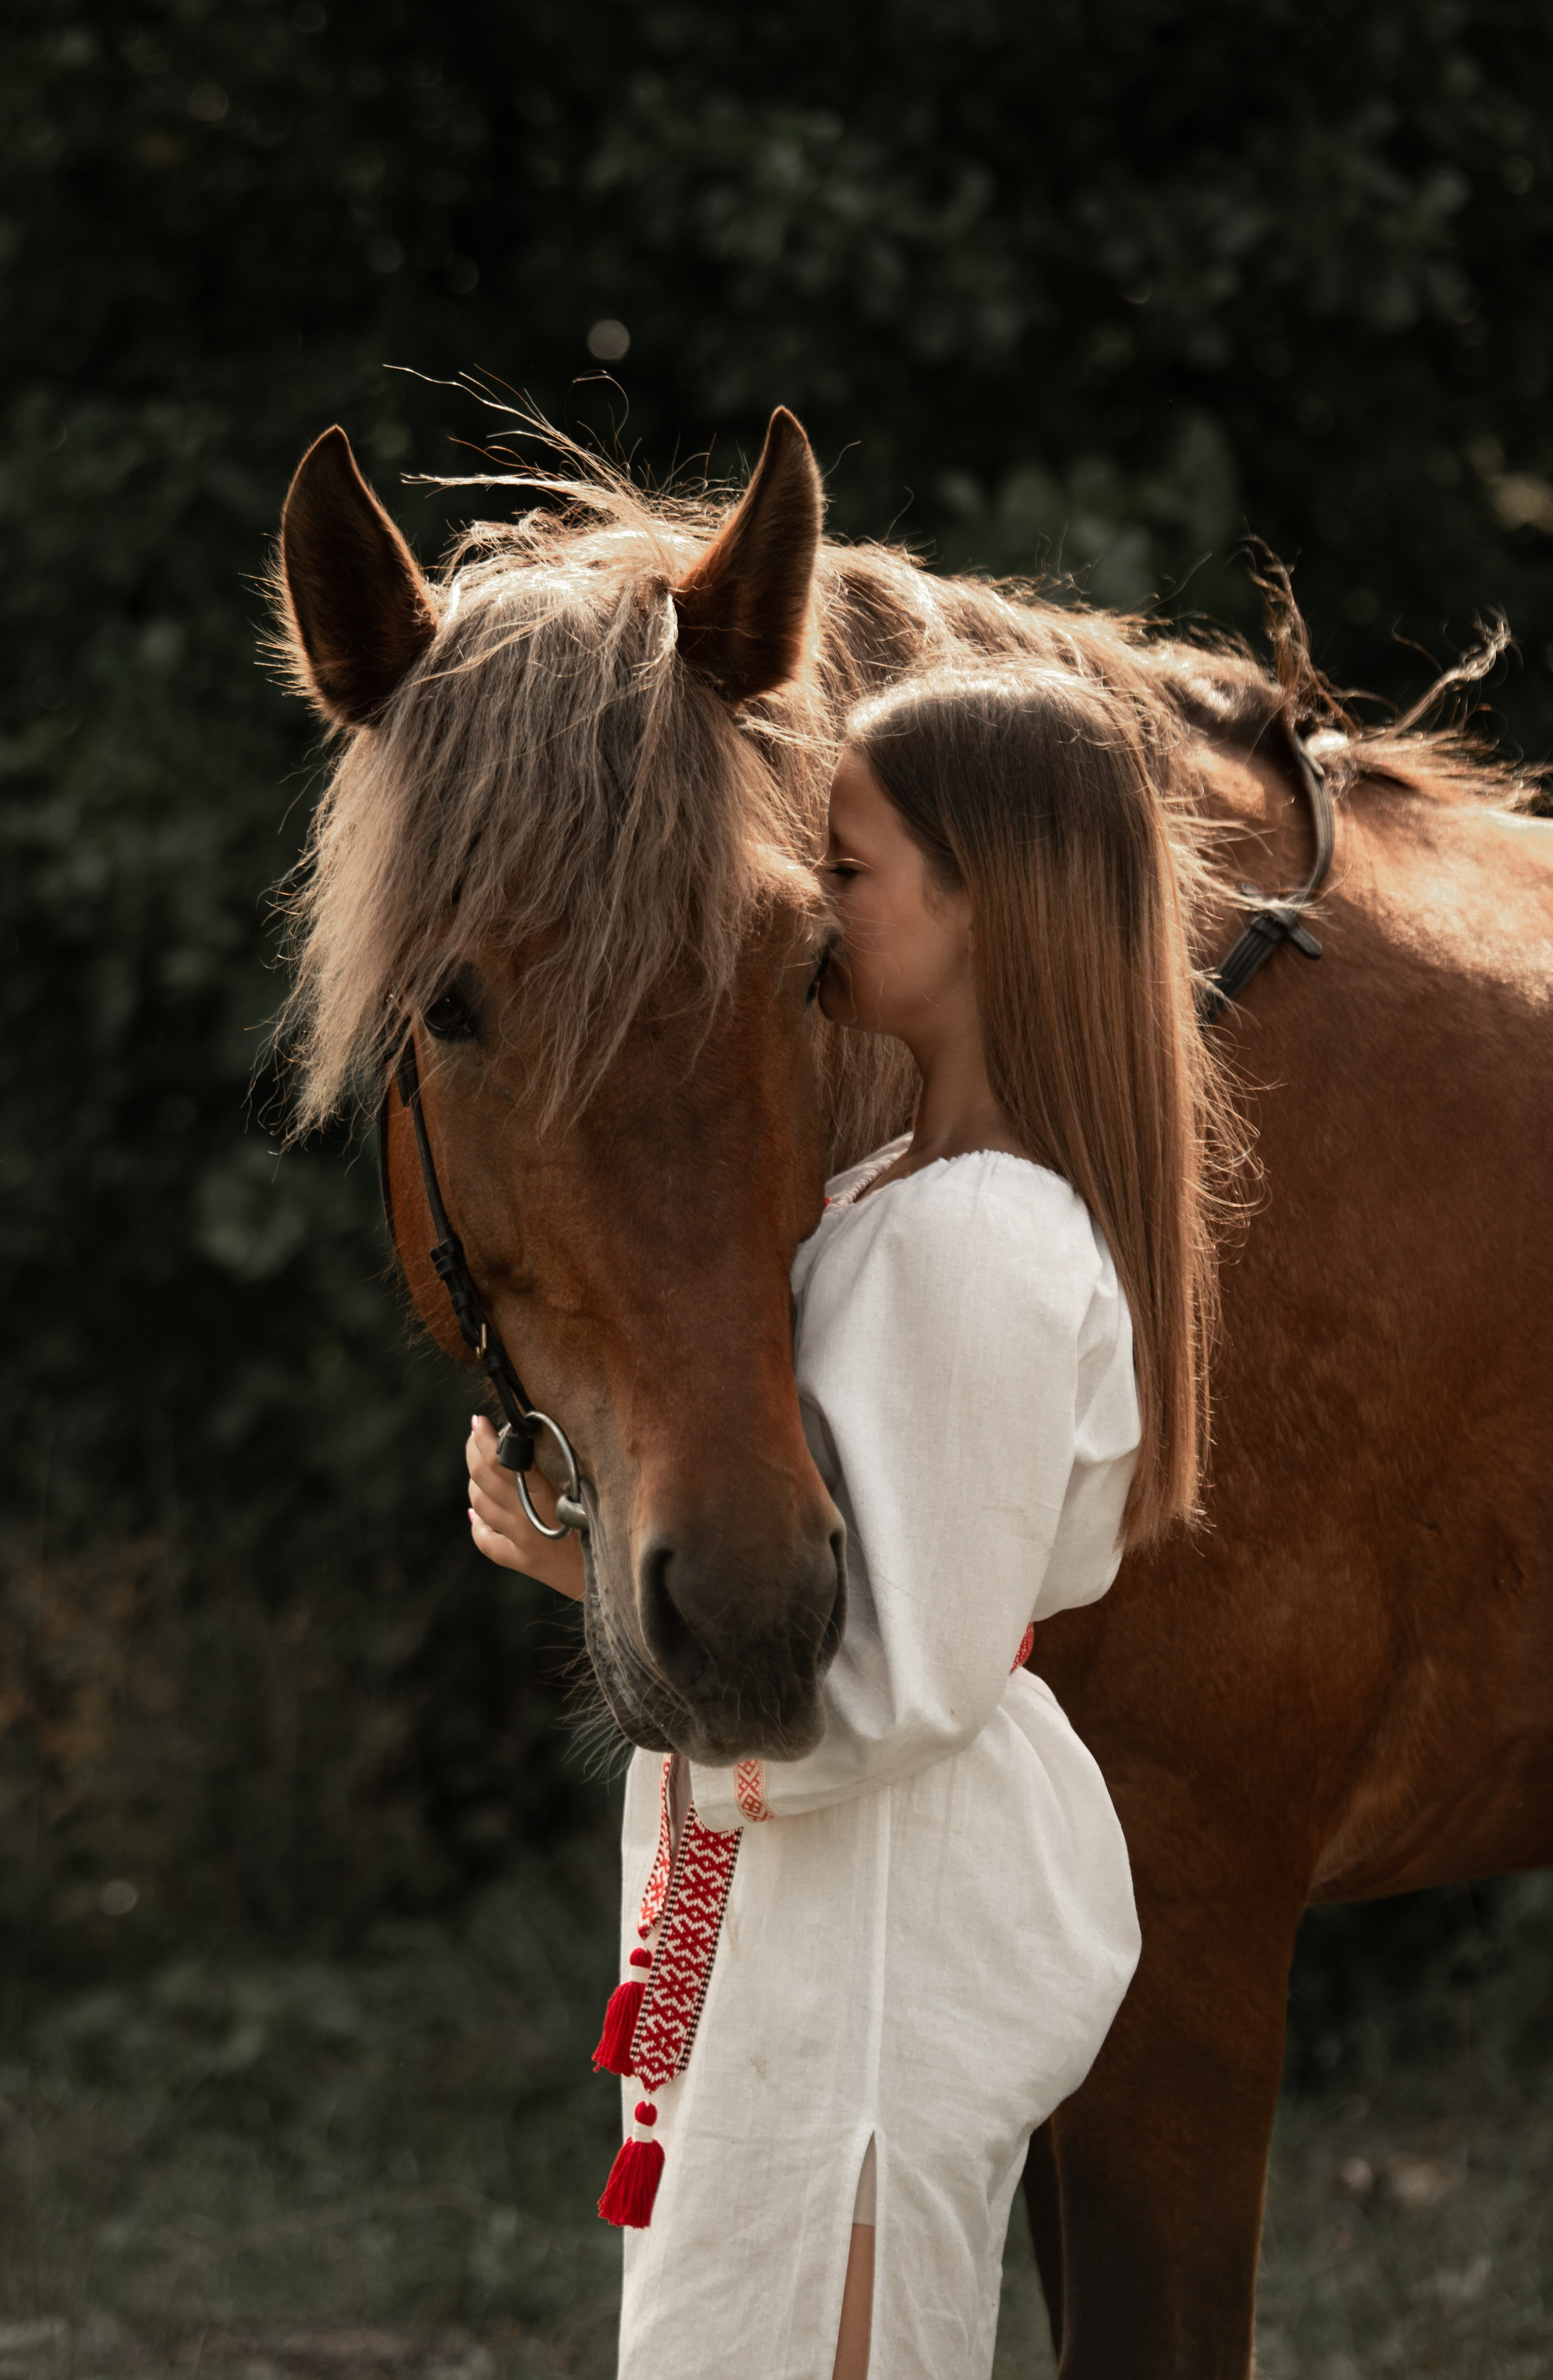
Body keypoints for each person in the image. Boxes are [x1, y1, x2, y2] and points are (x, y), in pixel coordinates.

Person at [465, 664, 1231, 2379]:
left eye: (850, 865)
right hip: (825, 1925)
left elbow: (894, 1685)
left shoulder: (980, 1240)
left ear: (980, 906)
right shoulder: (898, 1198)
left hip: (879, 1943)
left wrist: (582, 1568)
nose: (812, 900)